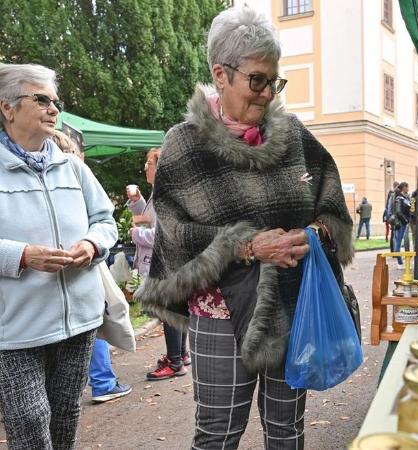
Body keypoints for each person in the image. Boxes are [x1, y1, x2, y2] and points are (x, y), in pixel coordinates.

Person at [134, 8, 353, 449]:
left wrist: (312, 233)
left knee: (287, 431)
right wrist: (247, 245)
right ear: (220, 74)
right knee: (217, 434)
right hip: (220, 315)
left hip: (291, 308)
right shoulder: (185, 143)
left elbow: (332, 206)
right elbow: (174, 232)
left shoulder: (293, 135)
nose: (269, 93)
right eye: (258, 80)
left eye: (275, 81)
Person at [0, 64, 117, 449]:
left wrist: (92, 244)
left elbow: (105, 220)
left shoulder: (72, 167)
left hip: (77, 320)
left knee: (65, 417)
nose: (54, 109)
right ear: (8, 108)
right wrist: (21, 256)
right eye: (43, 99)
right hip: (13, 328)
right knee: (30, 422)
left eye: (56, 101)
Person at [52, 130, 133, 403]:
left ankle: (97, 381)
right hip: (74, 278)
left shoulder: (77, 178)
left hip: (81, 268)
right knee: (91, 320)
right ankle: (102, 382)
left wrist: (92, 244)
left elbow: (104, 221)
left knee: (88, 321)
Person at [127, 149, 192, 380]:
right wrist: (137, 203)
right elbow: (149, 218)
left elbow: (161, 234)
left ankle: (174, 362)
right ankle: (181, 355)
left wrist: (135, 234)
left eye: (149, 163)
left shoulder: (166, 195)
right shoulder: (163, 192)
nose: (145, 168)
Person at [390, 182, 412, 268]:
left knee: (399, 242)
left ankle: (401, 262)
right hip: (401, 223)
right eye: (407, 187)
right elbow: (399, 212)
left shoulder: (405, 197)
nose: (408, 188)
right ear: (404, 188)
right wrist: (405, 220)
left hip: (403, 222)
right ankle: (400, 263)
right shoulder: (399, 198)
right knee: (398, 242)